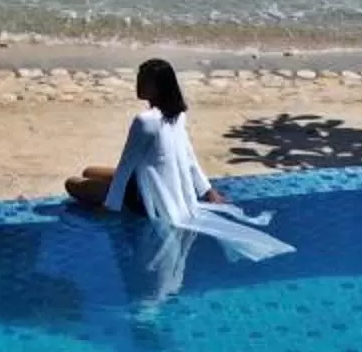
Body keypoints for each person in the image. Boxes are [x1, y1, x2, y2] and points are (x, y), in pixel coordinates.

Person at [67, 58, 291, 263]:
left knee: (72, 184)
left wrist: (111, 207)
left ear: (157, 87)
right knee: (89, 170)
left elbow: (126, 166)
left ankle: (121, 200)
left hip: (146, 197)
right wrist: (207, 190)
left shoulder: (144, 121)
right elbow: (188, 155)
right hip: (147, 181)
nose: (138, 82)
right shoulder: (177, 114)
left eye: (143, 79)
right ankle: (117, 194)